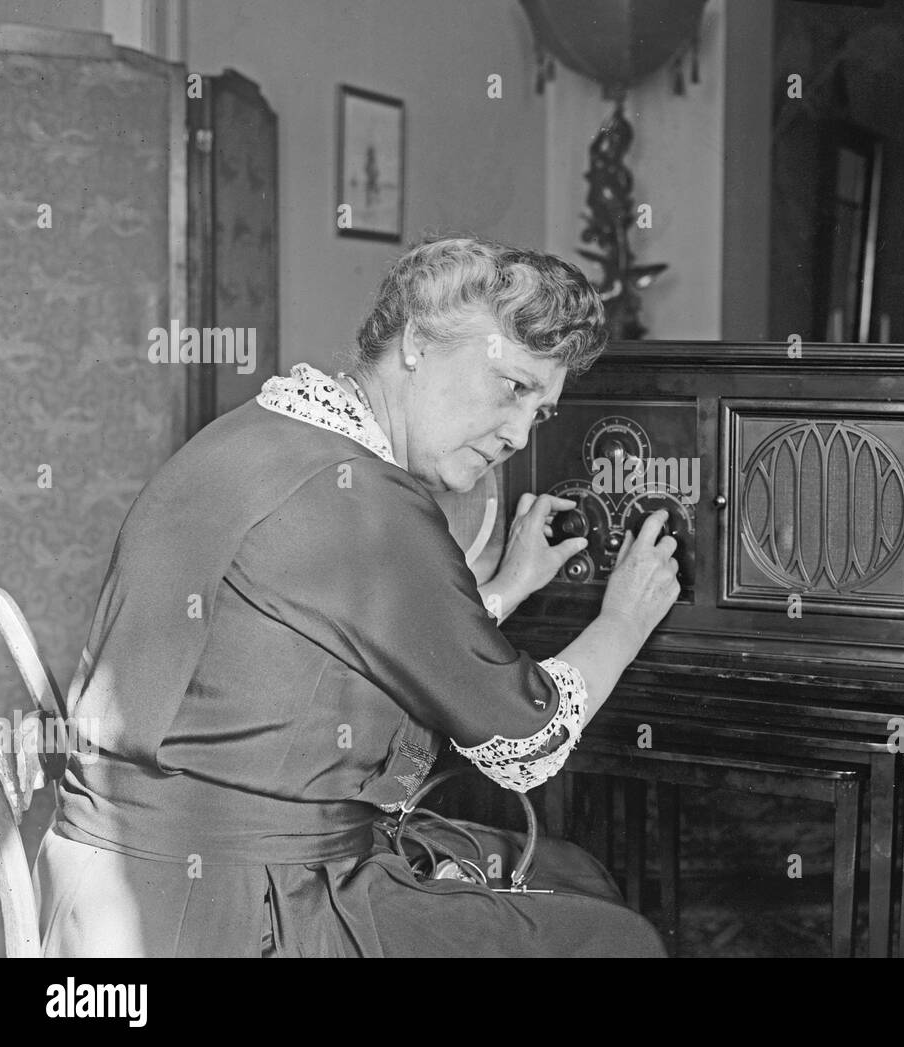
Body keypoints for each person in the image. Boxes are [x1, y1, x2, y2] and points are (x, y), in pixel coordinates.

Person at [34, 235, 679, 957]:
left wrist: (502, 588)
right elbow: (524, 740)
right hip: (235, 911)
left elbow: (324, 647)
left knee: (564, 871)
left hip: (103, 883)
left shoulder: (256, 434)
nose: (519, 432)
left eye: (543, 410)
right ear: (416, 344)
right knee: (613, 937)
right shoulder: (368, 501)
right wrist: (625, 618)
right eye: (514, 386)